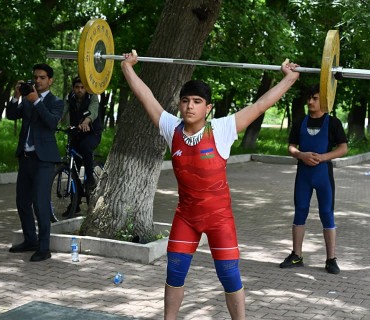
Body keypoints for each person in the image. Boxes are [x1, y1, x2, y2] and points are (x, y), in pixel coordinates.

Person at [121, 50, 299, 320]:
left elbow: (260, 105)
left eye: (197, 101)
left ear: (208, 108)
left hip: (219, 220)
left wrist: (288, 80)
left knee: (229, 275)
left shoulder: (222, 129)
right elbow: (146, 97)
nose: (190, 106)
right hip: (186, 217)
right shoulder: (172, 128)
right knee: (175, 271)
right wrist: (127, 68)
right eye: (185, 101)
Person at [279, 84, 348, 274]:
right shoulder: (300, 121)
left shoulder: (333, 123)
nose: (310, 102)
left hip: (323, 176)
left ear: (324, 100)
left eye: (315, 98)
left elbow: (343, 148)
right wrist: (301, 155)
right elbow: (291, 147)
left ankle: (331, 259)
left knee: (327, 213)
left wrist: (322, 157)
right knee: (300, 212)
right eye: (309, 98)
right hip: (303, 176)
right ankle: (296, 256)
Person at [6, 63, 64, 262]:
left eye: (41, 78)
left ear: (50, 80)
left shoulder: (56, 102)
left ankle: (44, 248)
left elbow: (51, 123)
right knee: (22, 202)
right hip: (26, 158)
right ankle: (30, 240)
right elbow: (11, 115)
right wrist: (16, 96)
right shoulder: (28, 100)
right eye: (35, 77)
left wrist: (37, 101)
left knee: (40, 204)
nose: (37, 81)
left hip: (45, 160)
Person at [61, 76, 103, 213]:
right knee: (72, 168)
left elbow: (94, 110)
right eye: (77, 87)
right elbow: (62, 112)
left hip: (92, 133)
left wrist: (87, 120)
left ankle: (90, 179)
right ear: (73, 88)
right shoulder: (70, 98)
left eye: (82, 87)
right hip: (76, 134)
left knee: (85, 147)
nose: (79, 90)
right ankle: (75, 204)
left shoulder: (92, 97)